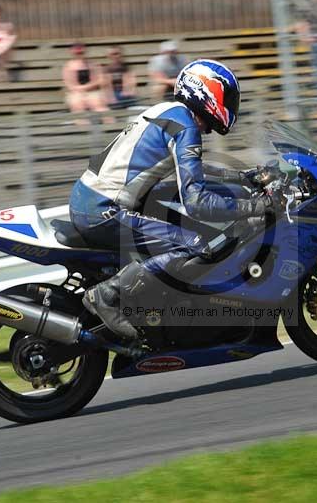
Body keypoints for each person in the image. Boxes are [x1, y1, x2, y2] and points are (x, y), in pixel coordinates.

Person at [69, 59, 277, 350]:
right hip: (104, 210)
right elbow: (197, 202)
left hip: (93, 201)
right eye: (228, 98)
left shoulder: (171, 113)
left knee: (191, 232)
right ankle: (107, 295)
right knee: (198, 244)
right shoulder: (185, 126)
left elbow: (193, 172)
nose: (231, 105)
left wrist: (243, 178)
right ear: (207, 91)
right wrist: (256, 208)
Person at [62, 43, 113, 125]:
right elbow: (69, 84)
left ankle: (111, 127)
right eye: (77, 52)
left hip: (92, 91)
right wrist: (81, 91)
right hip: (76, 92)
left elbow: (100, 80)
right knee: (77, 104)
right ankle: (85, 130)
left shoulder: (93, 64)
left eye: (81, 52)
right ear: (72, 52)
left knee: (98, 104)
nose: (79, 54)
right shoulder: (68, 66)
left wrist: (86, 88)